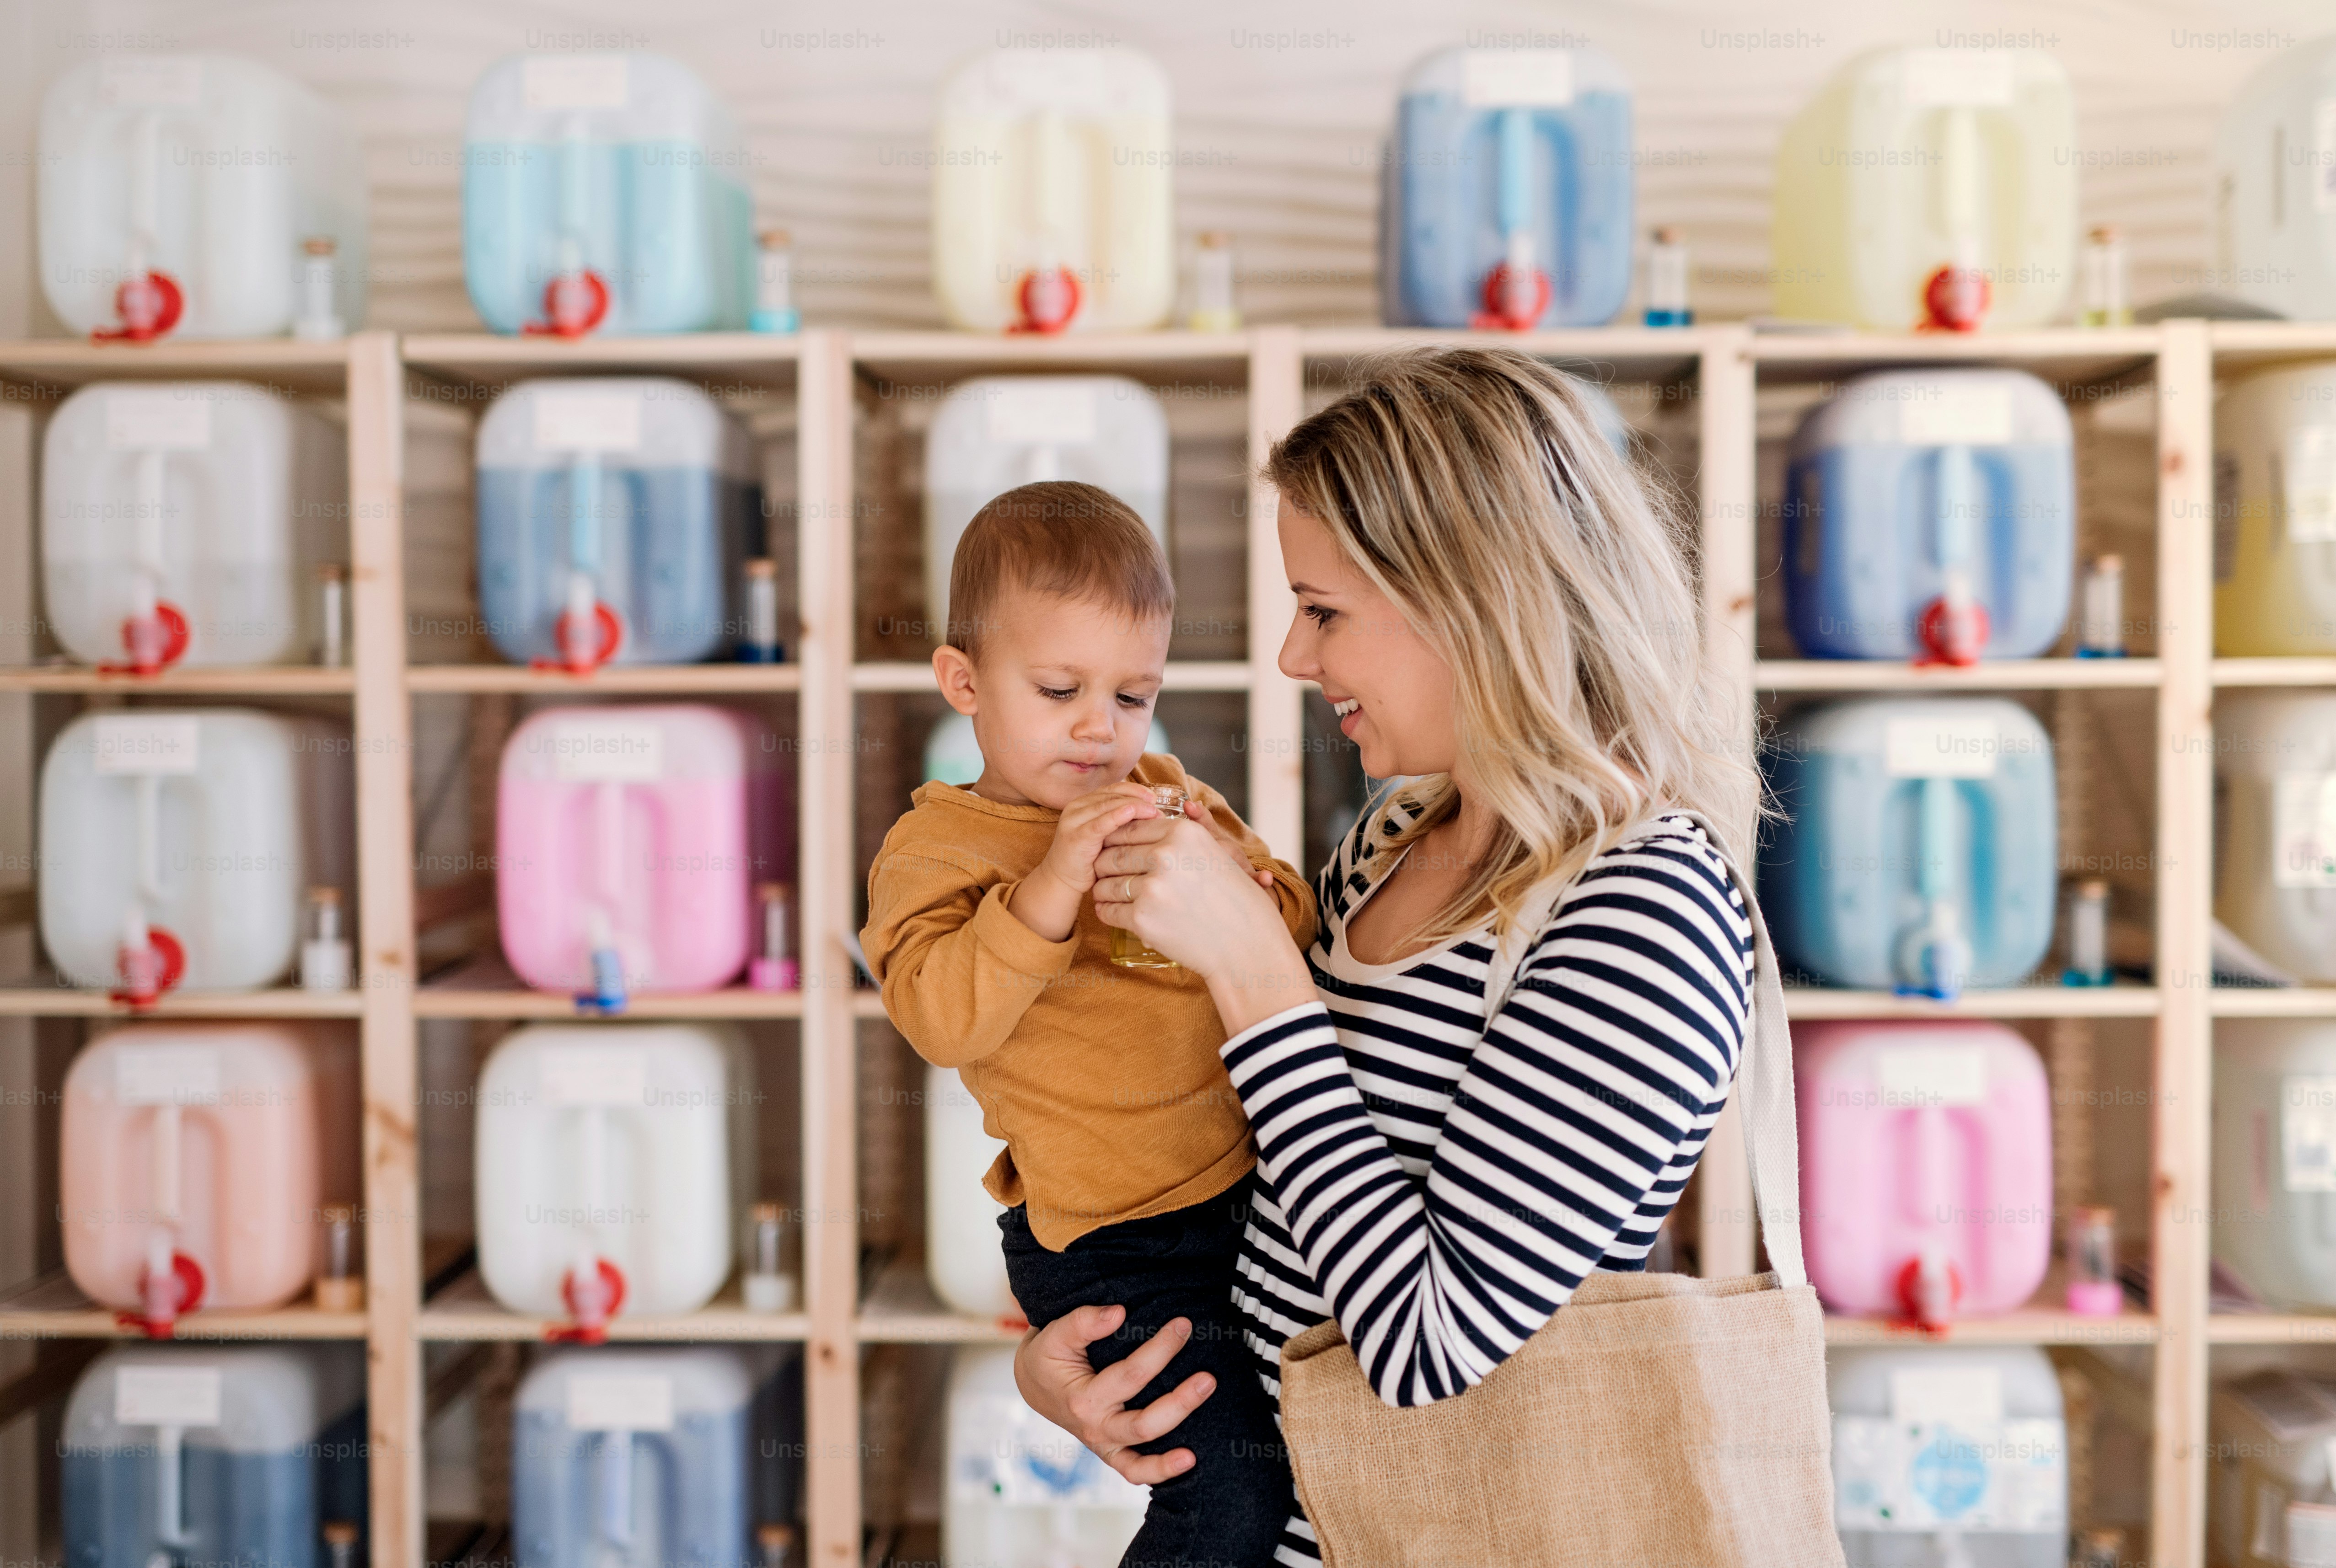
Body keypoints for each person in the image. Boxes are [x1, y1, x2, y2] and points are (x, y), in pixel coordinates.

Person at [1013, 347, 1758, 1566]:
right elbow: (1271, 1200)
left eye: (1322, 610)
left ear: (1470, 596)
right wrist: (1074, 1355)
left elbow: (1425, 1341)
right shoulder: (1391, 838)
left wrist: (1254, 971)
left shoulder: (1645, 903)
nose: (1292, 660)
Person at [861, 480, 1317, 1568]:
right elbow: (941, 1019)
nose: (1098, 728)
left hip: (1244, 1206)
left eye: (1132, 695)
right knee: (1225, 1501)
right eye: (1059, 687)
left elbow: (1293, 939)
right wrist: (1051, 887)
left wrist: (1236, 869)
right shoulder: (937, 853)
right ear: (962, 682)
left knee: (1301, 1469)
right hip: (1118, 1246)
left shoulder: (1163, 787)